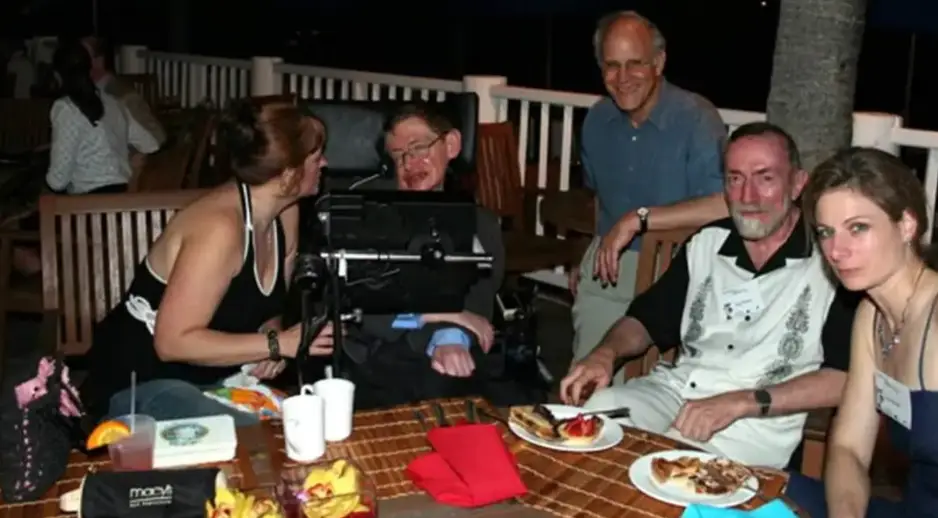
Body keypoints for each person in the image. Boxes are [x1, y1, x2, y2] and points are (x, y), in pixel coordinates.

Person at [559, 122, 859, 468]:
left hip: (755, 423)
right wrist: (605, 353)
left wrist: (744, 402)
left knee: (667, 466)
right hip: (676, 391)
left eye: (765, 178)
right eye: (735, 178)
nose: (748, 196)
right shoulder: (707, 243)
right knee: (597, 417)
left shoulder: (828, 263)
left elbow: (844, 378)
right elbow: (645, 320)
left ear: (797, 184)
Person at [80, 100, 334, 426]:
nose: (325, 163)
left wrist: (271, 340)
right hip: (142, 382)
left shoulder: (285, 213)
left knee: (306, 421)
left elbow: (269, 307)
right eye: (316, 156)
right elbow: (172, 343)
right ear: (287, 174)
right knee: (259, 436)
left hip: (213, 379)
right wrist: (277, 343)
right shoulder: (219, 229)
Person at [571, 11, 730, 368]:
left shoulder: (696, 118)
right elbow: (597, 200)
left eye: (635, 64)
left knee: (658, 389)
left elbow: (725, 204)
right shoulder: (597, 120)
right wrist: (586, 253)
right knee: (586, 379)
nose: (623, 78)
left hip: (679, 270)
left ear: (658, 63)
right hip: (610, 272)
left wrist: (640, 219)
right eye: (612, 66)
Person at [786, 148, 938, 517]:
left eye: (858, 228)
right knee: (759, 488)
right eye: (826, 232)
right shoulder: (871, 317)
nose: (836, 251)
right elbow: (849, 449)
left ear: (906, 225)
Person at [341, 103, 505, 409]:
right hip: (374, 351)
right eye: (398, 156)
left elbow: (478, 300)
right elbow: (364, 308)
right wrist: (446, 315)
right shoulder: (369, 215)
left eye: (418, 148)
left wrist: (449, 335)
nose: (409, 164)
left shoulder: (481, 223)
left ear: (451, 145)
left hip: (441, 353)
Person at [46, 39, 159, 194]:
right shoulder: (113, 103)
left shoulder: (66, 109)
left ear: (58, 76)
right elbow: (150, 145)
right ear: (89, 69)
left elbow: (58, 181)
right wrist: (128, 158)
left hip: (88, 201)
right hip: (122, 195)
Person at [81, 36, 166, 146]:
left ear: (99, 60)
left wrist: (133, 152)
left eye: (83, 57)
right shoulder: (83, 91)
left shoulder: (125, 97)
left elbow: (156, 136)